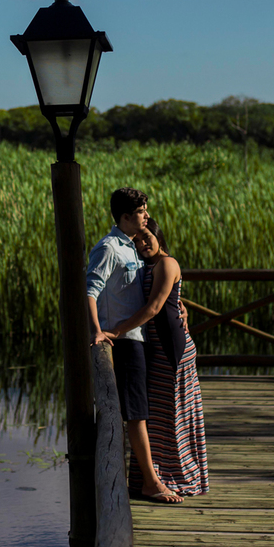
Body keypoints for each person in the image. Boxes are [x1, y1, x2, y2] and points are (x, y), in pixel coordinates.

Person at [87, 188, 184, 505]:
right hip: (126, 342)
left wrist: (181, 307)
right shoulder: (109, 248)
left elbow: (154, 292)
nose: (147, 216)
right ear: (126, 216)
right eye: (142, 211)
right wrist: (101, 331)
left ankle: (147, 476)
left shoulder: (133, 249)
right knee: (137, 414)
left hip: (140, 341)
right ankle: (150, 483)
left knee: (141, 411)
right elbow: (90, 289)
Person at [105, 215, 208, 499]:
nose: (141, 243)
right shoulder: (147, 265)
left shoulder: (167, 263)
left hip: (172, 349)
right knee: (160, 414)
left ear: (158, 236)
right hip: (156, 347)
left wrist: (115, 331)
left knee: (173, 412)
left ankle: (177, 476)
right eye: (136, 240)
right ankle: (156, 477)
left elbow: (153, 309)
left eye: (146, 237)